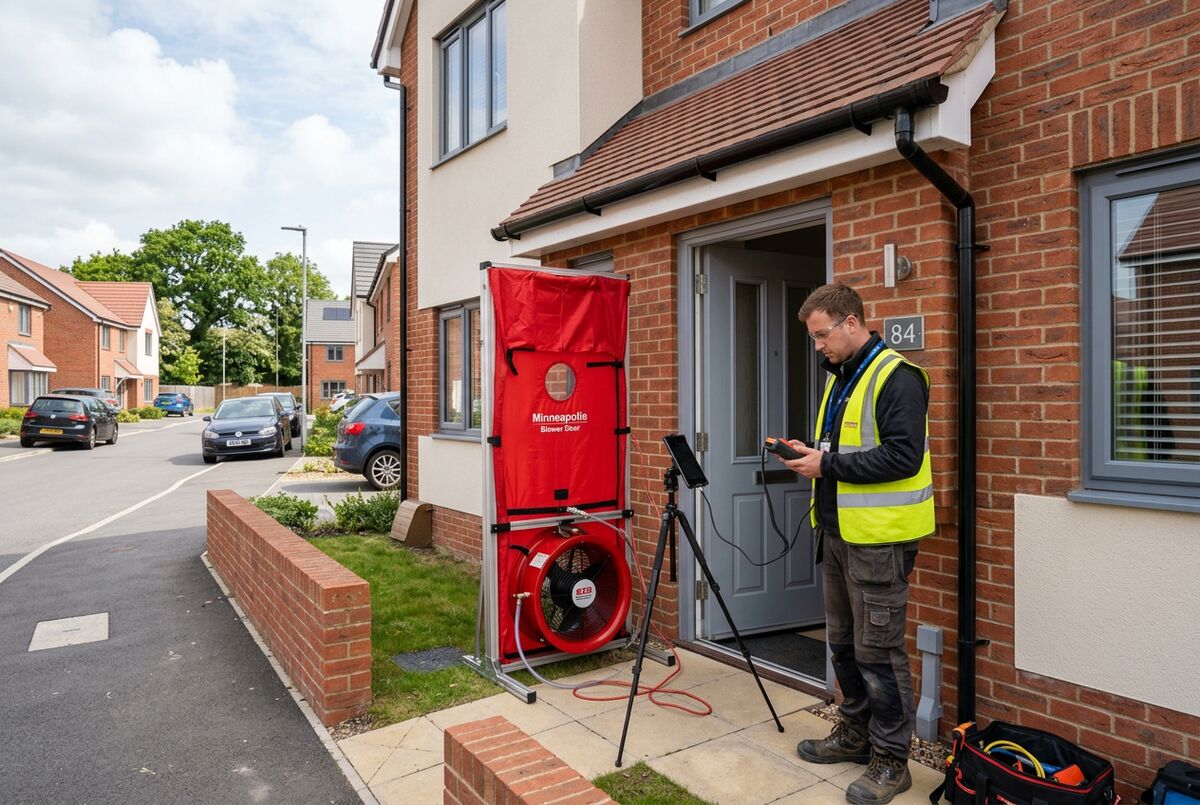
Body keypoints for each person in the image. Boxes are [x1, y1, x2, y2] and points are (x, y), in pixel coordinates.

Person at [776, 283, 933, 805]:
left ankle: (892, 761)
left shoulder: (898, 377)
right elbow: (843, 450)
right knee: (842, 646)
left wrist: (828, 464)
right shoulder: (843, 377)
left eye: (822, 335)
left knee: (880, 654)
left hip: (879, 544)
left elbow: (903, 458)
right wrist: (811, 453)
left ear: (850, 322)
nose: (818, 345)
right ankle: (855, 734)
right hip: (838, 536)